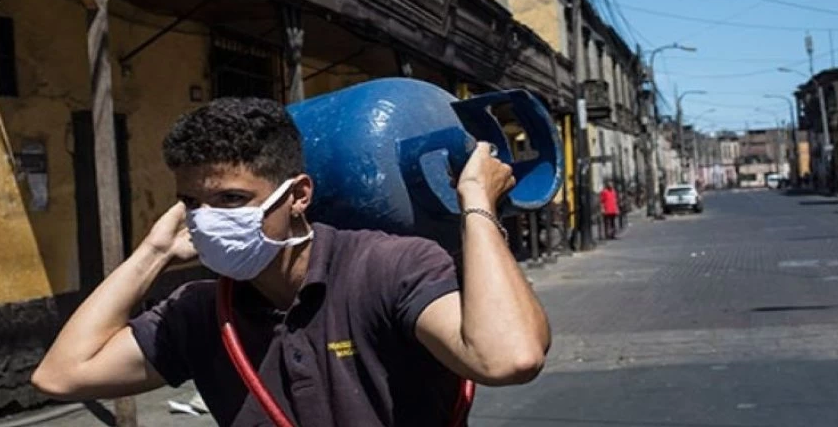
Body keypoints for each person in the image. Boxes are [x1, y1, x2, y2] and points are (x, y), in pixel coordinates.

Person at [30, 98, 549, 426]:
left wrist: (475, 200)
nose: (207, 220)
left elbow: (508, 358)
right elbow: (61, 376)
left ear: (298, 195)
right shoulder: (201, 310)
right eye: (192, 203)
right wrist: (153, 253)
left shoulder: (386, 267)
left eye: (231, 200)